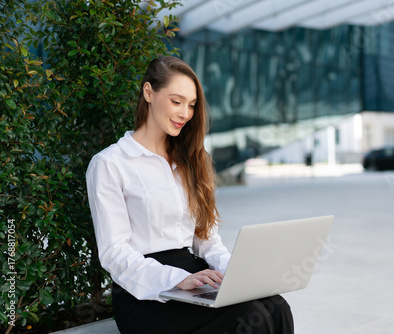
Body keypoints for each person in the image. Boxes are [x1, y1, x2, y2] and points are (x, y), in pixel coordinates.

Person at [86, 56, 294, 334]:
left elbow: (205, 240)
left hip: (194, 276)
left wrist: (239, 272)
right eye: (176, 101)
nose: (185, 113)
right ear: (149, 92)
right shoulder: (110, 163)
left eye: (192, 105)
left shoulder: (190, 161)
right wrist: (178, 279)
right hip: (145, 294)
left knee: (276, 306)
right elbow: (114, 253)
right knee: (250, 315)